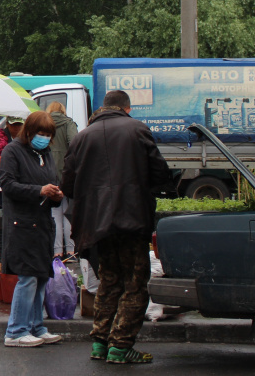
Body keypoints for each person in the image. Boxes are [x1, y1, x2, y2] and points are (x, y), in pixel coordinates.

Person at [62, 89, 172, 365]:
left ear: (103, 107)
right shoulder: (137, 129)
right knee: (135, 285)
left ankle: (99, 343)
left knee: (109, 282)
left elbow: (67, 184)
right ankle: (121, 346)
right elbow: (160, 172)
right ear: (127, 108)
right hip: (131, 220)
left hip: (95, 224)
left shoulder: (82, 137)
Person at [0, 110, 63, 348]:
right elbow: (7, 184)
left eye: (48, 134)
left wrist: (56, 193)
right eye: (41, 133)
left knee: (41, 276)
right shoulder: (12, 151)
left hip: (44, 223)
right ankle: (16, 331)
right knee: (27, 277)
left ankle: (37, 326)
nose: (45, 138)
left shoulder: (46, 153)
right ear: (29, 131)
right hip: (23, 223)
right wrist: (39, 190)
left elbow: (52, 181)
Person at [46, 101, 79, 258]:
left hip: (48, 170)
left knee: (55, 212)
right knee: (68, 211)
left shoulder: (44, 124)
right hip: (67, 171)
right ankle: (71, 250)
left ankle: (57, 251)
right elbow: (75, 143)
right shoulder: (68, 123)